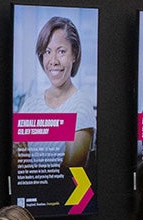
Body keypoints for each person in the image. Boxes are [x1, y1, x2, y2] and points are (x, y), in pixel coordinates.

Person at [14, 16, 95, 172]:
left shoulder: (81, 104)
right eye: (47, 51)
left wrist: (29, 164)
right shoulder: (30, 104)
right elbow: (15, 162)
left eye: (61, 51)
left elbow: (72, 169)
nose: (53, 60)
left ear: (74, 54)